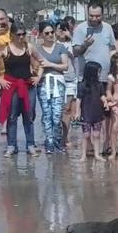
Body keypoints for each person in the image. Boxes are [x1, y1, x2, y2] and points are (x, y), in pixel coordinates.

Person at [72, 2, 116, 155]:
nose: (94, 18)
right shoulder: (80, 29)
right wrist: (85, 45)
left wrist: (115, 72)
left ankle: (106, 142)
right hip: (87, 79)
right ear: (87, 13)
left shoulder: (108, 28)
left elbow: (112, 49)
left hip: (104, 77)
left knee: (106, 111)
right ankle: (89, 144)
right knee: (87, 112)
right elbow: (75, 52)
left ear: (102, 14)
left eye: (98, 16)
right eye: (91, 16)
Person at [0, 24, 37, 157]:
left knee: (29, 116)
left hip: (27, 85)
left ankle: (30, 145)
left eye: (23, 34)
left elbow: (41, 61)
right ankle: (11, 146)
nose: (21, 37)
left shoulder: (29, 47)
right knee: (11, 116)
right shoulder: (5, 49)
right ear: (12, 35)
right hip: (11, 86)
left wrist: (38, 76)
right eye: (18, 34)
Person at [33, 21, 71, 154]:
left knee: (57, 114)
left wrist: (50, 64)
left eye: (52, 32)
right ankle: (49, 141)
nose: (50, 35)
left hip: (58, 82)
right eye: (47, 33)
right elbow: (35, 66)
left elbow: (65, 66)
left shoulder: (60, 47)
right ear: (41, 35)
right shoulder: (37, 49)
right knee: (46, 114)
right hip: (43, 83)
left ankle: (58, 140)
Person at [77, 61, 107, 161]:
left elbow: (102, 95)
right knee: (86, 135)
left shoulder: (99, 85)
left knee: (97, 134)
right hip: (86, 114)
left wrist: (105, 102)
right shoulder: (82, 85)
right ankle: (83, 155)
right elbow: (78, 99)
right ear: (92, 73)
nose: (99, 74)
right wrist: (77, 112)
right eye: (98, 72)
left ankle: (97, 154)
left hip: (97, 113)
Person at [57, 19, 78, 146]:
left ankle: (65, 137)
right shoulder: (53, 43)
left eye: (65, 29)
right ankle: (56, 136)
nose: (62, 32)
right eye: (60, 29)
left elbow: (77, 54)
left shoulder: (72, 43)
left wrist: (71, 38)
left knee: (67, 109)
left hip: (70, 78)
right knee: (56, 110)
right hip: (57, 78)